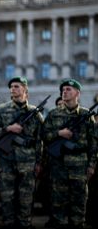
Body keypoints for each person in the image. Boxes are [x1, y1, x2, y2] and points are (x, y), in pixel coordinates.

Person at [42, 79, 97, 229]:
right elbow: (43, 136)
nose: (64, 92)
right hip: (59, 165)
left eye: (68, 89)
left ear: (77, 93)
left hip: (80, 165)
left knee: (79, 205)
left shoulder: (87, 115)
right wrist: (59, 133)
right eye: (63, 90)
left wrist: (91, 165)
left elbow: (94, 143)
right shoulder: (54, 114)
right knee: (58, 204)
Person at [0, 76, 43, 229]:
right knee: (7, 197)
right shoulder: (1, 110)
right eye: (11, 87)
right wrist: (8, 129)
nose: (13, 89)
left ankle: (25, 223)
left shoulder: (35, 113)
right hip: (6, 160)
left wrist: (38, 162)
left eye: (17, 86)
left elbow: (40, 139)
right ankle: (9, 223)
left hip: (28, 161)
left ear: (25, 90)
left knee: (26, 197)